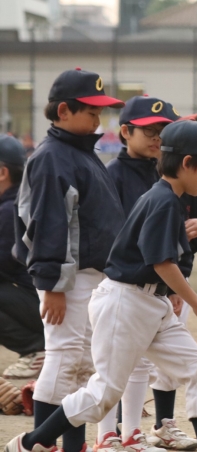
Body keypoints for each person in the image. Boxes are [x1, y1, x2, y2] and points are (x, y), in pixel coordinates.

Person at [5, 120, 197, 452]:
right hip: (125, 303)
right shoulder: (162, 200)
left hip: (150, 303)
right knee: (103, 394)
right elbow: (162, 263)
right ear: (187, 163)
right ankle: (31, 443)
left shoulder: (172, 198)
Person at [13, 67, 126, 452]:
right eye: (91, 112)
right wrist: (52, 286)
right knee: (64, 361)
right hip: (69, 278)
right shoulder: (53, 157)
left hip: (88, 276)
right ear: (63, 110)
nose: (98, 120)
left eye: (100, 112)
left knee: (81, 367)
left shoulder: (79, 153)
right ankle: (40, 444)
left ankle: (71, 446)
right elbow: (48, 224)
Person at [106, 96, 197, 451]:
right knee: (123, 366)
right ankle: (115, 432)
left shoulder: (178, 176)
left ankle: (161, 425)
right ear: (126, 132)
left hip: (171, 281)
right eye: (149, 130)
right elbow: (122, 238)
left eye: (163, 130)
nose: (157, 137)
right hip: (135, 283)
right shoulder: (115, 175)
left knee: (171, 363)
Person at [0, 134, 45, 380]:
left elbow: (4, 264)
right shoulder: (16, 201)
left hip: (41, 302)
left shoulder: (10, 209)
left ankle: (34, 349)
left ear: (2, 172)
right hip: (37, 299)